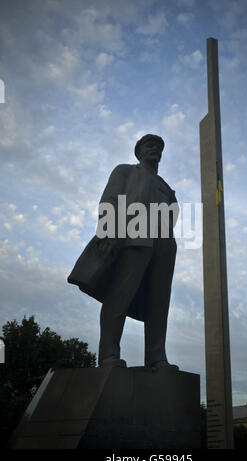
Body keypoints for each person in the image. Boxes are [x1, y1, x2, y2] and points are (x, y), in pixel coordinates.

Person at [68, 134, 179, 370]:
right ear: (138, 151)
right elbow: (110, 200)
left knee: (159, 304)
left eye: (159, 147)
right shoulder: (125, 171)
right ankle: (108, 354)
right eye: (149, 145)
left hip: (164, 244)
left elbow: (173, 215)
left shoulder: (167, 188)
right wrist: (108, 232)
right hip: (134, 237)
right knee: (119, 295)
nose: (155, 149)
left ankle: (157, 358)